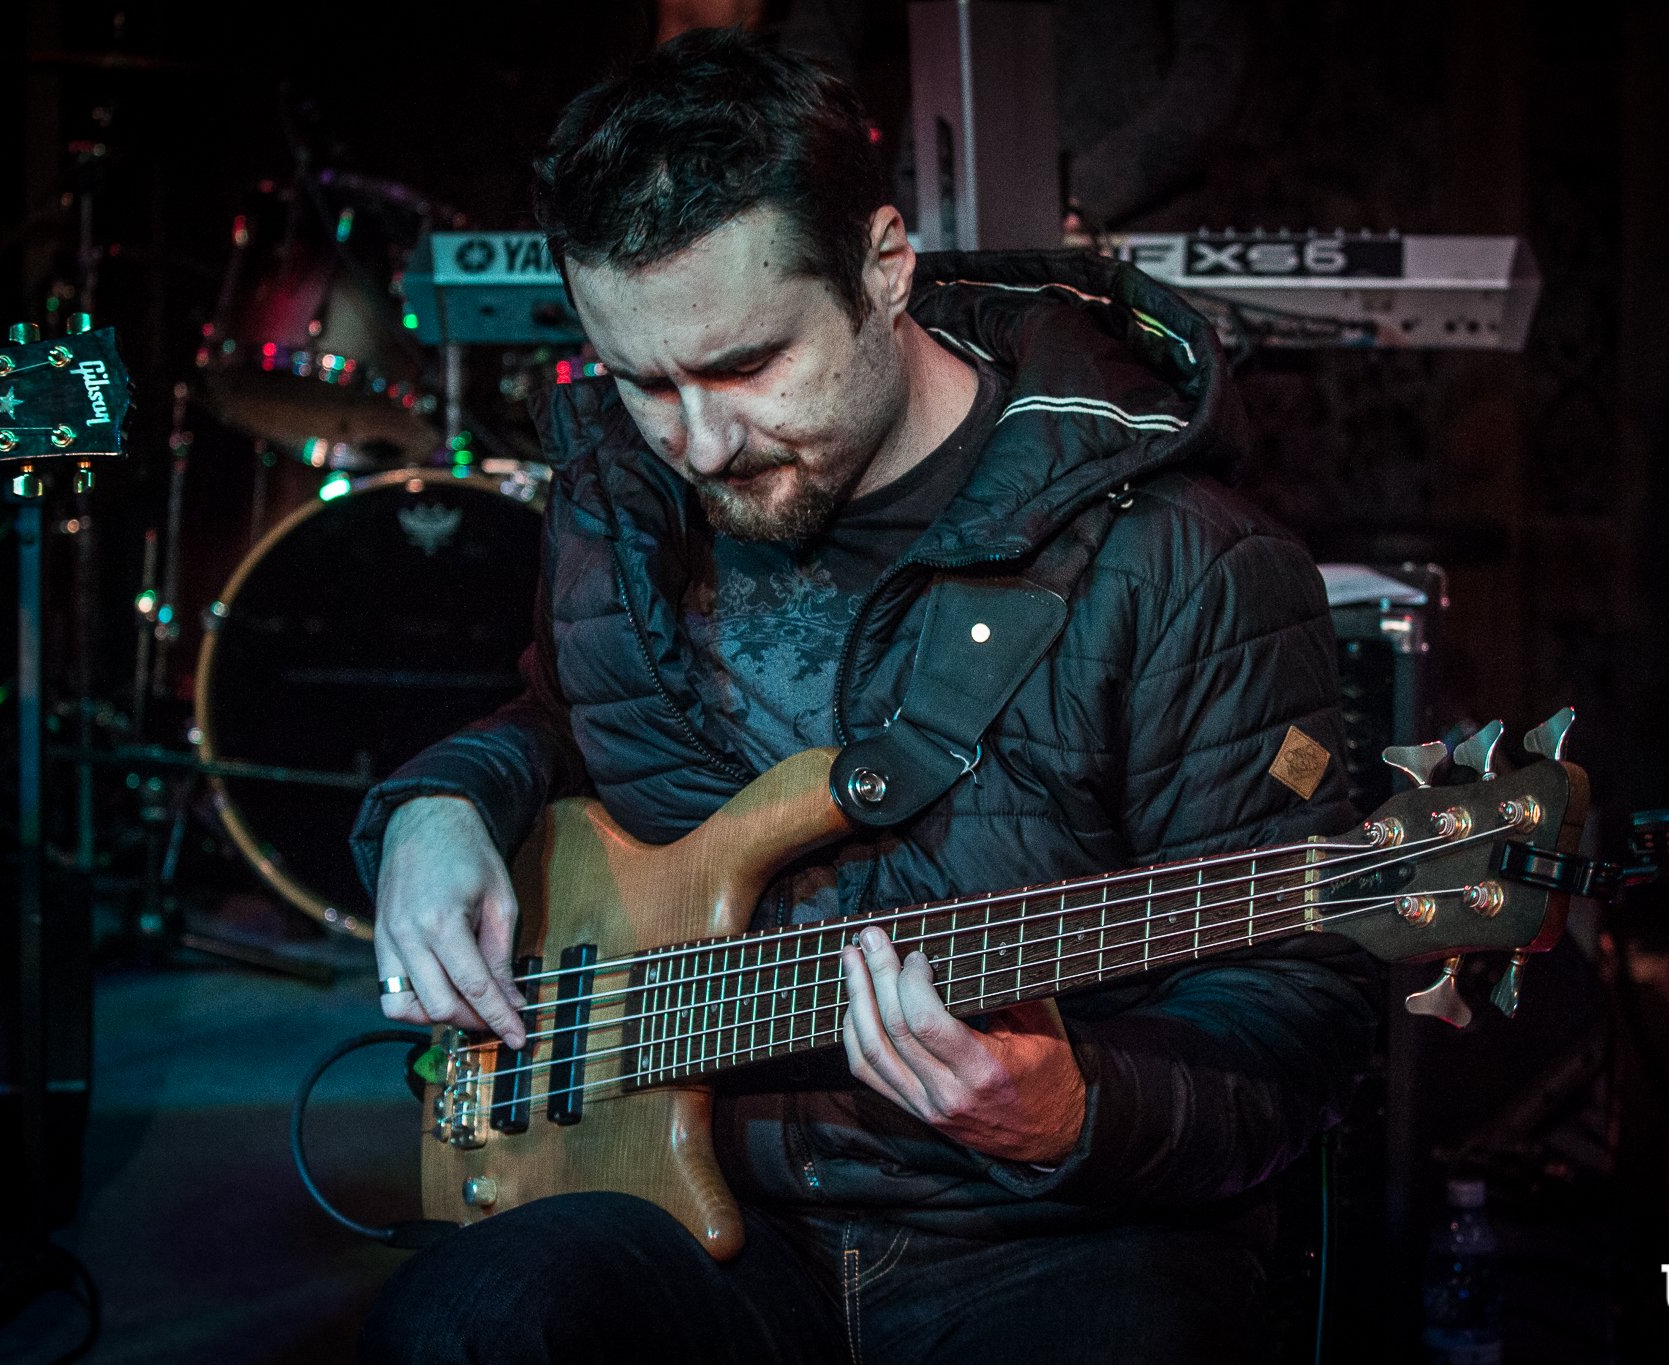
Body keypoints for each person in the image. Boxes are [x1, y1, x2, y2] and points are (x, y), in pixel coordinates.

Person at [351, 27, 1379, 1364]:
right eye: (643, 380)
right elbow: (568, 722)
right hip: (695, 1203)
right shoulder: (622, 501)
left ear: (884, 266)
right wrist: (439, 802)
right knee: (459, 1325)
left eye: (745, 365)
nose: (700, 441)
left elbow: (1301, 1007)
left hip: (1039, 1231)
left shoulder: (1185, 561)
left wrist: (1078, 1112)